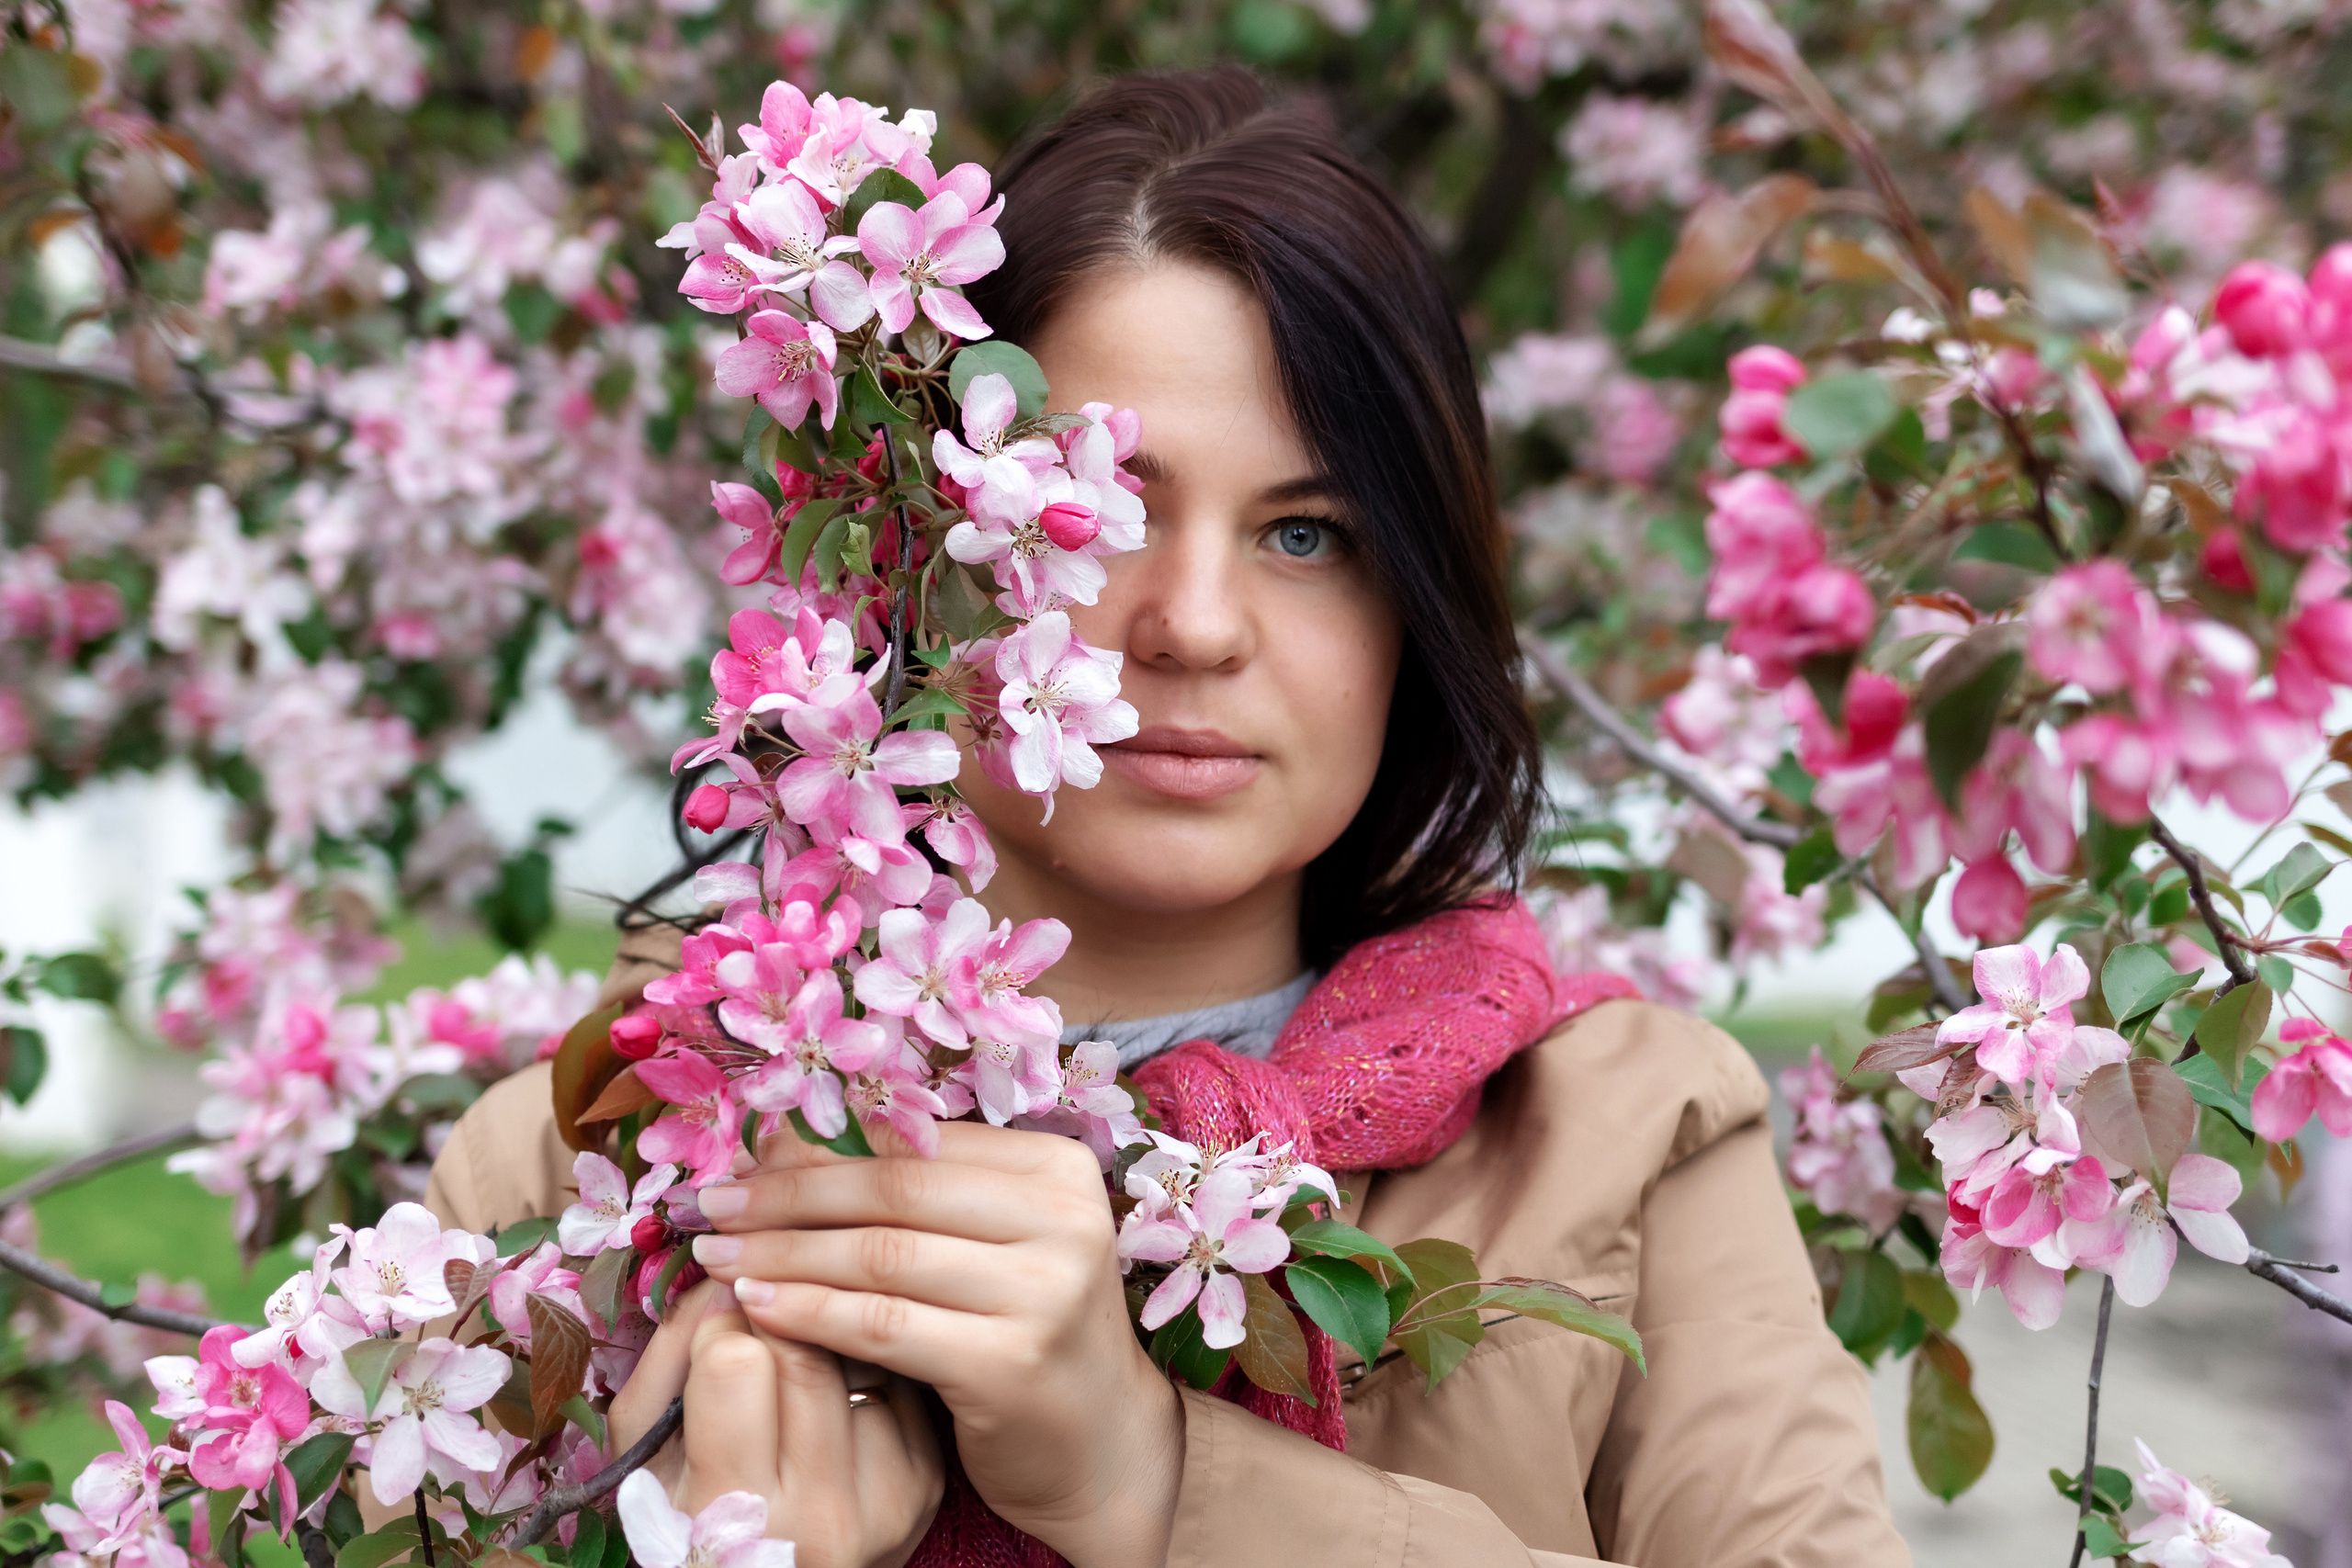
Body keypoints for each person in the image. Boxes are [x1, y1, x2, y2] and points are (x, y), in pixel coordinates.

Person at [421, 66, 1910, 1568]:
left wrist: (1147, 1484)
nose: (1194, 625)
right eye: (1092, 500)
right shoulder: (591, 1166)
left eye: (1308, 534)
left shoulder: (1628, 1136)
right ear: (915, 558)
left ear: (1417, 603)